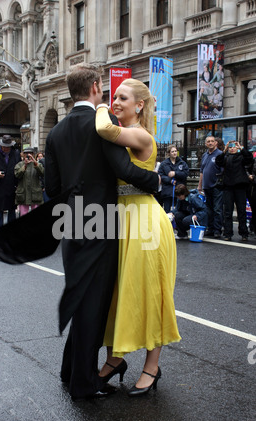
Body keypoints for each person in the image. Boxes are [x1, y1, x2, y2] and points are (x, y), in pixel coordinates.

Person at [45, 64, 160, 401]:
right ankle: (83, 382)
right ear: (96, 86)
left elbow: (51, 187)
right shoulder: (102, 126)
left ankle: (71, 372)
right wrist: (155, 181)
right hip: (104, 223)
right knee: (93, 306)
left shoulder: (55, 133)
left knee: (81, 299)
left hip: (71, 223)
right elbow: (124, 168)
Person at [95, 78, 181, 396]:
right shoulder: (126, 135)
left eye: (122, 98)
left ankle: (151, 367)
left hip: (145, 223)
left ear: (139, 105)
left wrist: (99, 104)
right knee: (117, 295)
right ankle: (114, 360)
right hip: (122, 220)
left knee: (149, 295)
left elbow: (104, 128)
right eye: (113, 97)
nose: (115, 102)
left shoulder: (140, 135)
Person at [215, 141, 253, 241]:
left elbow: (249, 159)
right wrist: (224, 150)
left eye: (234, 147)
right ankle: (228, 233)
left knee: (241, 211)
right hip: (228, 187)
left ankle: (244, 233)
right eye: (230, 147)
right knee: (227, 212)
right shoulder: (226, 157)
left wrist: (241, 148)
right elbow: (218, 162)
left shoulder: (242, 157)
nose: (232, 149)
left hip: (240, 187)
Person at [0, 135, 21, 228]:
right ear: (1, 145)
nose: (6, 148)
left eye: (8, 146)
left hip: (12, 186)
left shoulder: (16, 153)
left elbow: (19, 168)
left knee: (12, 211)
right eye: (5, 146)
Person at [198, 135, 223, 238]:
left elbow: (223, 170)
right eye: (208, 141)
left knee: (217, 209)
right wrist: (200, 185)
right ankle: (211, 228)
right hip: (207, 186)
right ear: (205, 144)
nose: (210, 143)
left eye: (212, 141)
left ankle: (217, 230)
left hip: (217, 186)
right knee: (209, 209)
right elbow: (202, 172)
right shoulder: (204, 155)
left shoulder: (220, 154)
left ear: (216, 143)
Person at [158, 144, 189, 213]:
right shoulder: (164, 164)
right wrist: (169, 180)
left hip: (179, 191)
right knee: (167, 211)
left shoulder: (182, 163)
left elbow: (186, 173)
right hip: (168, 191)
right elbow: (161, 176)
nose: (175, 153)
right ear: (169, 153)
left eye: (175, 151)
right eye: (172, 151)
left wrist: (175, 173)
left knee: (178, 211)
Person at [14, 147, 44, 216]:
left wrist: (35, 163)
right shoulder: (19, 164)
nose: (28, 155)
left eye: (30, 153)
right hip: (23, 194)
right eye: (26, 153)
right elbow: (17, 175)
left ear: (33, 154)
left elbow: (43, 173)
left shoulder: (37, 164)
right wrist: (25, 165)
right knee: (23, 213)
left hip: (35, 194)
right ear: (23, 155)